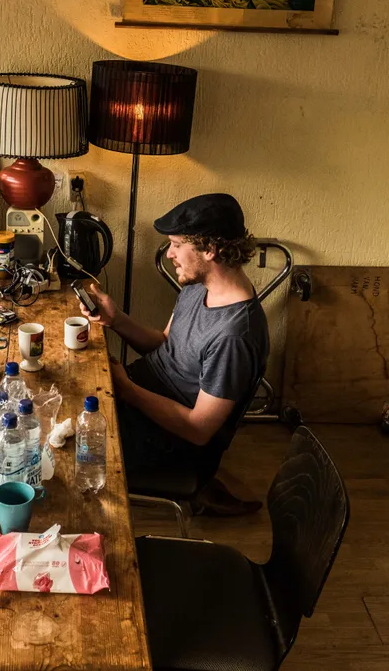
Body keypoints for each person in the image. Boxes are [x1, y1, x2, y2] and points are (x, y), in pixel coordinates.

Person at [81, 193, 268, 515]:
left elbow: (199, 429)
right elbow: (165, 345)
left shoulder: (235, 336)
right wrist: (116, 320)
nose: (170, 254)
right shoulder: (198, 287)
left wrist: (127, 389)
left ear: (210, 249)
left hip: (167, 442)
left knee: (57, 444)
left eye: (177, 244)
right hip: (139, 401)